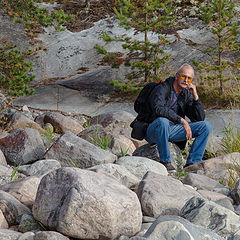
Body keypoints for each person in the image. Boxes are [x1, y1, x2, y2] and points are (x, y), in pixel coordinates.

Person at [145, 63, 212, 171]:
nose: (186, 80)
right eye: (183, 76)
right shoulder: (163, 88)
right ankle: (165, 161)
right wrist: (181, 120)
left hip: (172, 131)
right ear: (176, 76)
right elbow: (158, 108)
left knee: (205, 126)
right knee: (163, 121)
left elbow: (199, 118)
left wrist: (195, 97)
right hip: (154, 130)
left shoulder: (185, 94)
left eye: (189, 79)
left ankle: (192, 164)